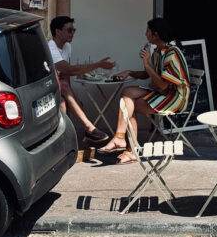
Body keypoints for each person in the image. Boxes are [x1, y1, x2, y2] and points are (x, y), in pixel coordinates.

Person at [99, 17, 190, 165]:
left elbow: (163, 85)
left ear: (156, 35)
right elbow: (147, 74)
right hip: (163, 92)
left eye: (148, 31)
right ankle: (121, 139)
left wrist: (146, 64)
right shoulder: (159, 51)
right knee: (127, 93)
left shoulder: (171, 53)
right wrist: (129, 72)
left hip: (175, 98)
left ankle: (130, 149)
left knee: (129, 105)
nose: (145, 34)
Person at [48, 16, 116, 143]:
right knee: (64, 92)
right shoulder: (51, 47)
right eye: (69, 30)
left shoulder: (67, 46)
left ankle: (72, 137)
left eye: (74, 30)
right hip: (44, 87)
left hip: (58, 86)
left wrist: (71, 97)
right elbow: (69, 69)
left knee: (67, 100)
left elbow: (65, 75)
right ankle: (89, 128)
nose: (73, 33)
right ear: (57, 32)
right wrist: (98, 65)